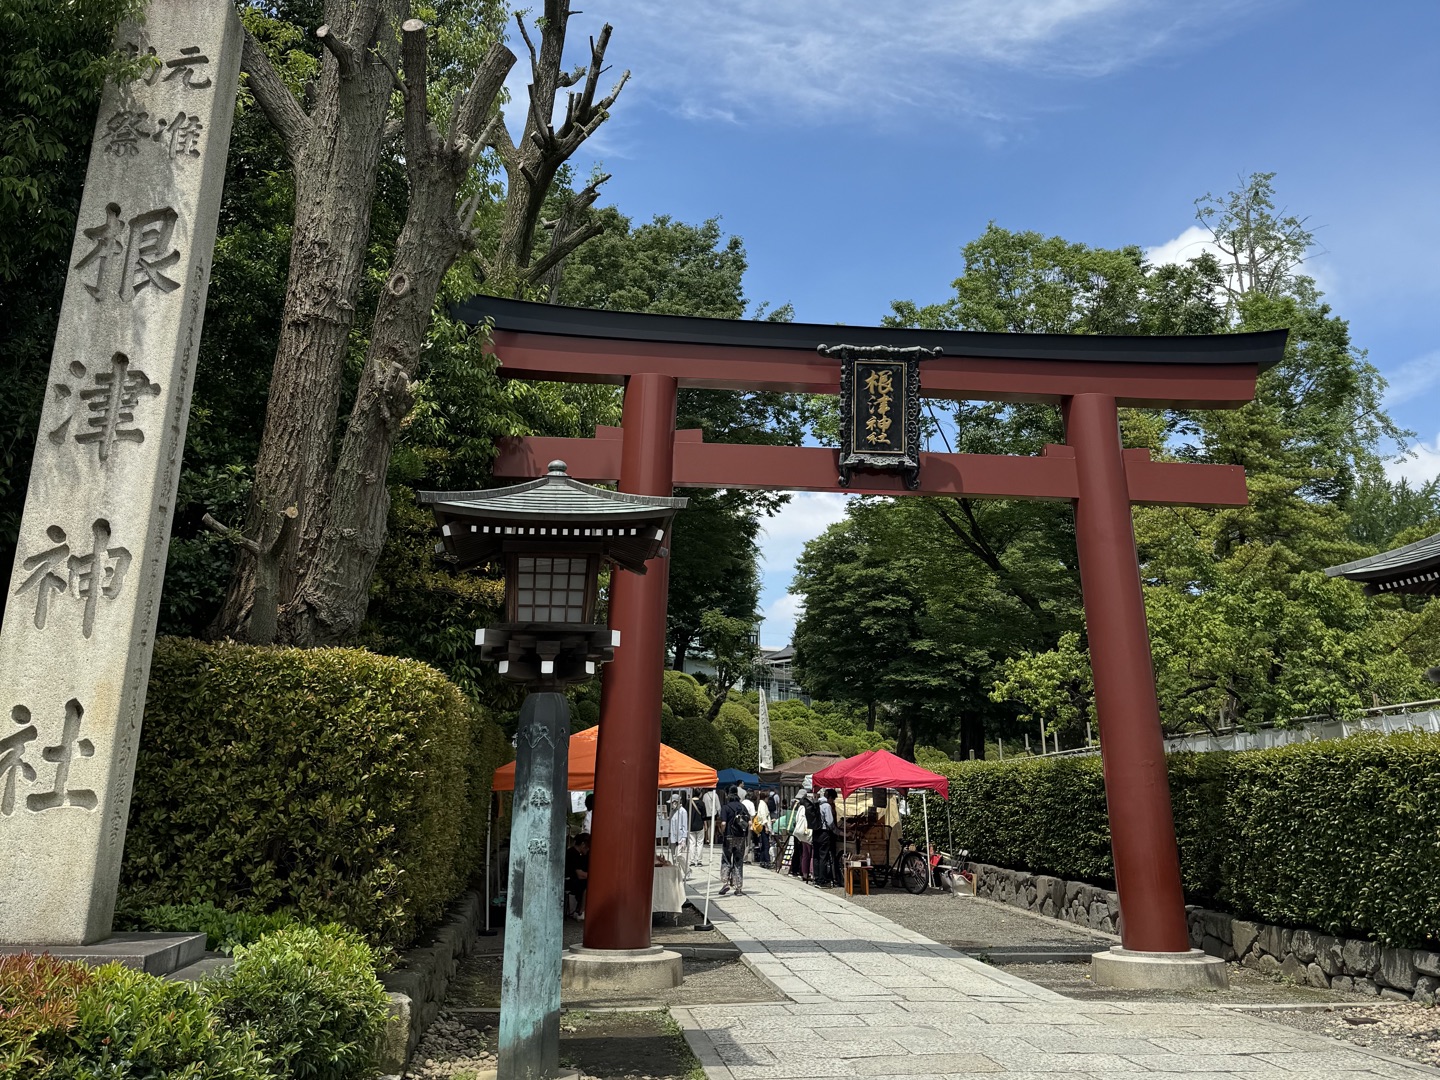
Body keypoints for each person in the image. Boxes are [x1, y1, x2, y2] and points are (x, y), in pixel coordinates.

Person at [717, 786, 751, 896]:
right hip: (740, 838)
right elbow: (749, 823)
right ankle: (738, 887)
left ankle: (725, 883)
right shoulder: (743, 807)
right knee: (738, 861)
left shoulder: (726, 807)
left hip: (729, 837)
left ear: (728, 795)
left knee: (726, 859)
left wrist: (722, 832)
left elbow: (723, 823)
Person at [789, 779, 815, 882]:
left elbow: (795, 820)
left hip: (799, 832)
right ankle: (811, 873)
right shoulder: (808, 807)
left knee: (804, 853)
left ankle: (803, 872)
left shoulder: (798, 807)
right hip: (808, 832)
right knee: (811, 854)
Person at [814, 788, 838, 887]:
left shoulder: (816, 803)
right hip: (824, 833)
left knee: (816, 856)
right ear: (830, 798)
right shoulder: (826, 806)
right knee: (823, 856)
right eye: (833, 799)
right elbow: (829, 821)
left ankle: (816, 877)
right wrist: (835, 830)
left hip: (815, 832)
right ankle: (822, 880)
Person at [565, 833, 591, 918]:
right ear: (583, 844)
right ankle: (580, 911)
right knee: (588, 886)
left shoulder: (573, 853)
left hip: (570, 880)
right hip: (569, 881)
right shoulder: (574, 855)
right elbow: (580, 875)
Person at [667, 794, 691, 877]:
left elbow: (685, 825)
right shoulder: (672, 811)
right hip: (672, 837)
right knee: (674, 857)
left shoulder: (683, 811)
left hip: (680, 837)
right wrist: (669, 837)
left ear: (676, 802)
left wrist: (684, 838)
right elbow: (670, 825)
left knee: (678, 855)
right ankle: (677, 873)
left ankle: (687, 869)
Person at [752, 785, 772, 867]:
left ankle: (762, 860)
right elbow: (763, 816)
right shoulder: (763, 804)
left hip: (763, 825)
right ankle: (766, 861)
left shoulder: (761, 803)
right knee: (766, 844)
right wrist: (766, 826)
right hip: (764, 826)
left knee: (764, 844)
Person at [687, 790, 706, 867]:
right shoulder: (702, 803)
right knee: (700, 843)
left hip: (690, 825)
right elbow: (704, 816)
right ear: (700, 794)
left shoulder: (688, 803)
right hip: (700, 825)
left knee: (692, 843)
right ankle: (699, 861)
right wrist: (705, 825)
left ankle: (691, 860)